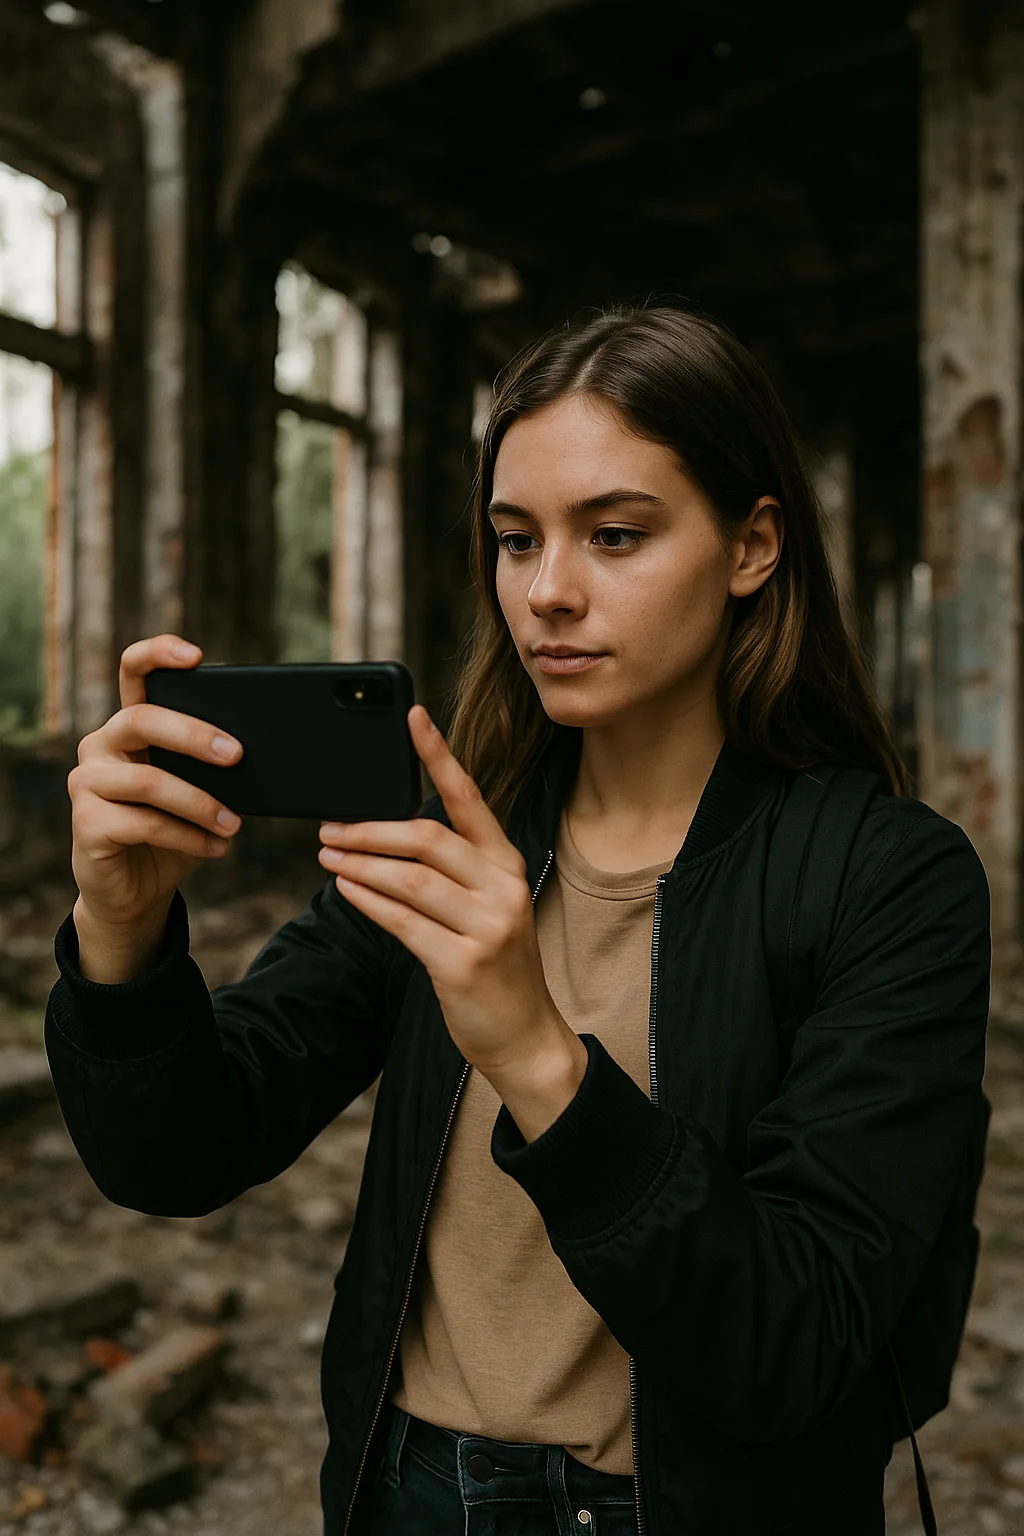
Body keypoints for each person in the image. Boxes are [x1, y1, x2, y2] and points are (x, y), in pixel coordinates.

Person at [46, 304, 990, 1536]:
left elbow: (793, 1345)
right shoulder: (451, 838)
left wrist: (536, 1055)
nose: (545, 592)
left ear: (752, 545)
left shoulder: (887, 881)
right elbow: (176, 1154)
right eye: (513, 538)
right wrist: (120, 938)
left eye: (614, 535)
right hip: (406, 1496)